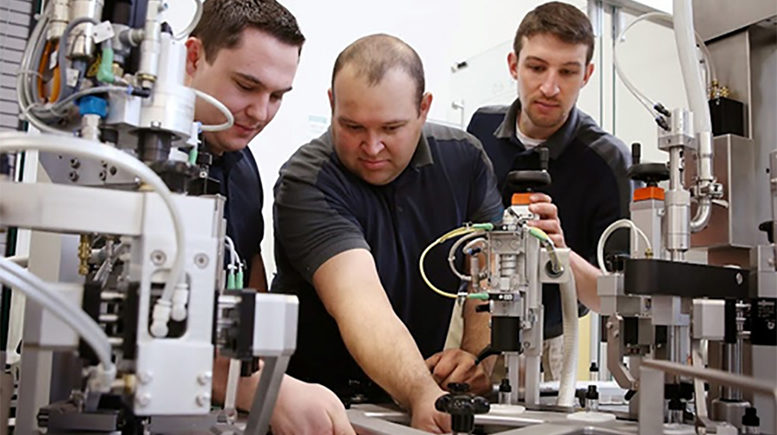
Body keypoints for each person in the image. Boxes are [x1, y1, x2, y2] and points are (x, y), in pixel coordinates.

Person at [271, 34, 504, 433]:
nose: (372, 146)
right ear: (332, 104)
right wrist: (419, 391)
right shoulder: (307, 181)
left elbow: (488, 276)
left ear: (424, 108)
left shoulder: (464, 161)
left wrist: (476, 357)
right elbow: (361, 303)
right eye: (353, 126)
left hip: (420, 397)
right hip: (319, 411)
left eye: (391, 127)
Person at [184, 1, 354, 433]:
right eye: (246, 86)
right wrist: (255, 389)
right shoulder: (127, 162)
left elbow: (249, 278)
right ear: (192, 57)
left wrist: (265, 377)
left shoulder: (241, 168)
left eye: (277, 96)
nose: (261, 113)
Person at [465, 1, 632, 380]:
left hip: (554, 345)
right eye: (537, 67)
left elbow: (615, 300)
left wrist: (559, 251)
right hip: (475, 326)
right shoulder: (480, 128)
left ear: (587, 74)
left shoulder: (608, 161)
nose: (549, 87)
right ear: (513, 65)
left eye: (568, 72)